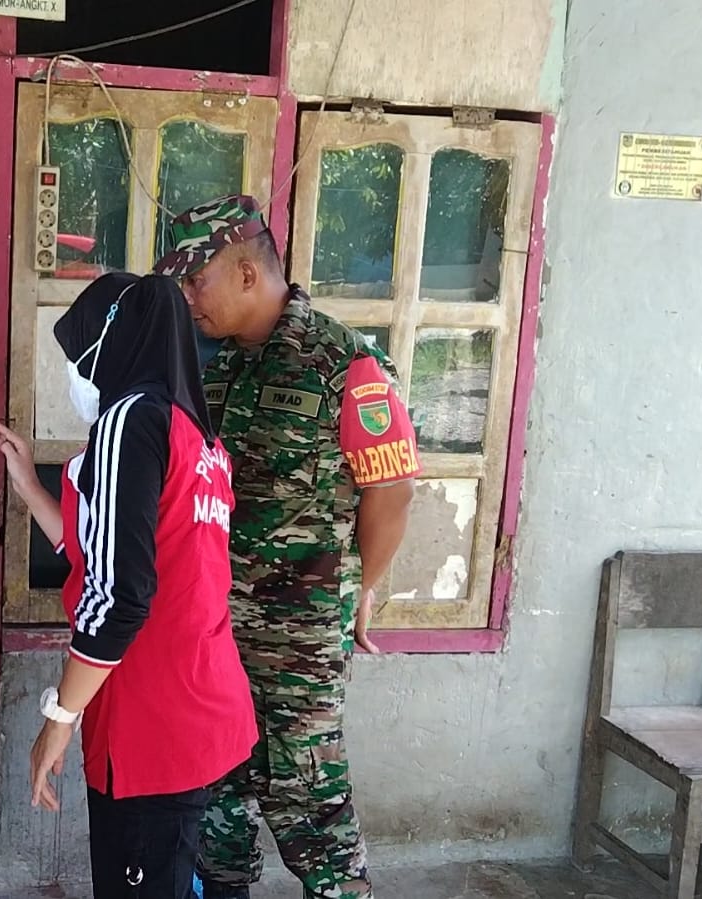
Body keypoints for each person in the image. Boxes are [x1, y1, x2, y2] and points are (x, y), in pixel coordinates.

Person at [155, 195, 421, 899]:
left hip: (294, 645)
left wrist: (360, 589)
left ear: (246, 271)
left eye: (195, 279)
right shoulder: (209, 365)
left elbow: (389, 494)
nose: (186, 297)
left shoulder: (344, 364)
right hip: (211, 631)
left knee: (309, 808)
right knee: (215, 807)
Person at [0, 273, 257, 899]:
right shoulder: (198, 437)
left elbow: (120, 594)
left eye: (78, 355)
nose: (76, 372)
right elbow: (106, 552)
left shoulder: (129, 418)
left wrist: (61, 715)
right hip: (202, 705)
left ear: (110, 344)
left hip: (150, 719)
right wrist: (29, 481)